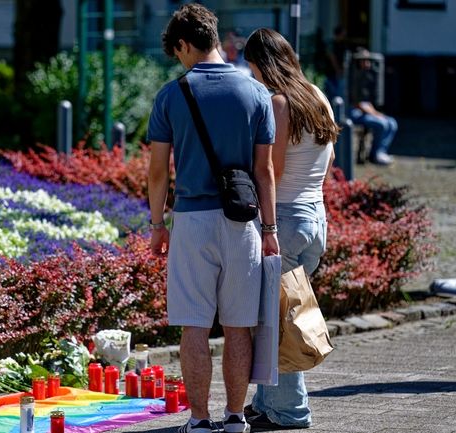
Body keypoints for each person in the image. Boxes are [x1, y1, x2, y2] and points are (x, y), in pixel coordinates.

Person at [147, 4, 278, 433]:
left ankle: (200, 420)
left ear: (184, 44)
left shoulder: (171, 95)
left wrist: (156, 225)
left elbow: (157, 171)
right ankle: (236, 418)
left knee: (195, 326)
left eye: (178, 52)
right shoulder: (256, 93)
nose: (180, 61)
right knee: (240, 326)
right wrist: (271, 231)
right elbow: (265, 172)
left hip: (192, 220)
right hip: (244, 222)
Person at [242, 28, 338, 430]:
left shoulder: (279, 104)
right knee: (277, 313)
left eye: (251, 68)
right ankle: (267, 403)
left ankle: (289, 412)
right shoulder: (317, 96)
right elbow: (327, 164)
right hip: (315, 217)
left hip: (286, 220)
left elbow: (272, 172)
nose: (250, 77)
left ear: (263, 65)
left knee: (279, 320)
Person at [349, 48, 397, 166]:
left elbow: (367, 102)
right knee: (382, 124)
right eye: (365, 60)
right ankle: (375, 154)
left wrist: (377, 113)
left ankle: (381, 151)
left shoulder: (366, 77)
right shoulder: (353, 77)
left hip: (366, 112)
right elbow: (357, 104)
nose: (368, 63)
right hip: (354, 114)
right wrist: (376, 115)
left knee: (392, 122)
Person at [324, 26, 347, 101]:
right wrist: (338, 70)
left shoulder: (342, 45)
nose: (344, 36)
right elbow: (332, 58)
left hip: (337, 73)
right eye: (343, 34)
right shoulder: (331, 44)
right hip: (331, 73)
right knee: (333, 94)